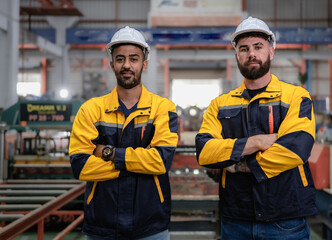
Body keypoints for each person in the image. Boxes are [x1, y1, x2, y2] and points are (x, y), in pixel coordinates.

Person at [195, 17, 317, 240]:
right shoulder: (220, 105)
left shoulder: (296, 97)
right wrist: (257, 142)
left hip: (286, 219)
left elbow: (295, 149)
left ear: (271, 52)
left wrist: (239, 166)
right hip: (235, 219)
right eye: (244, 49)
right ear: (237, 57)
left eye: (258, 47)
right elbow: (204, 151)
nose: (251, 53)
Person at [69, 26, 178, 240]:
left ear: (144, 64)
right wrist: (139, 163)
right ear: (112, 65)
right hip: (102, 224)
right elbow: (80, 165)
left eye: (133, 59)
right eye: (120, 59)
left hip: (150, 225)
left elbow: (161, 162)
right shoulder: (91, 109)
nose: (126, 65)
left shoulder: (163, 108)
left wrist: (108, 153)